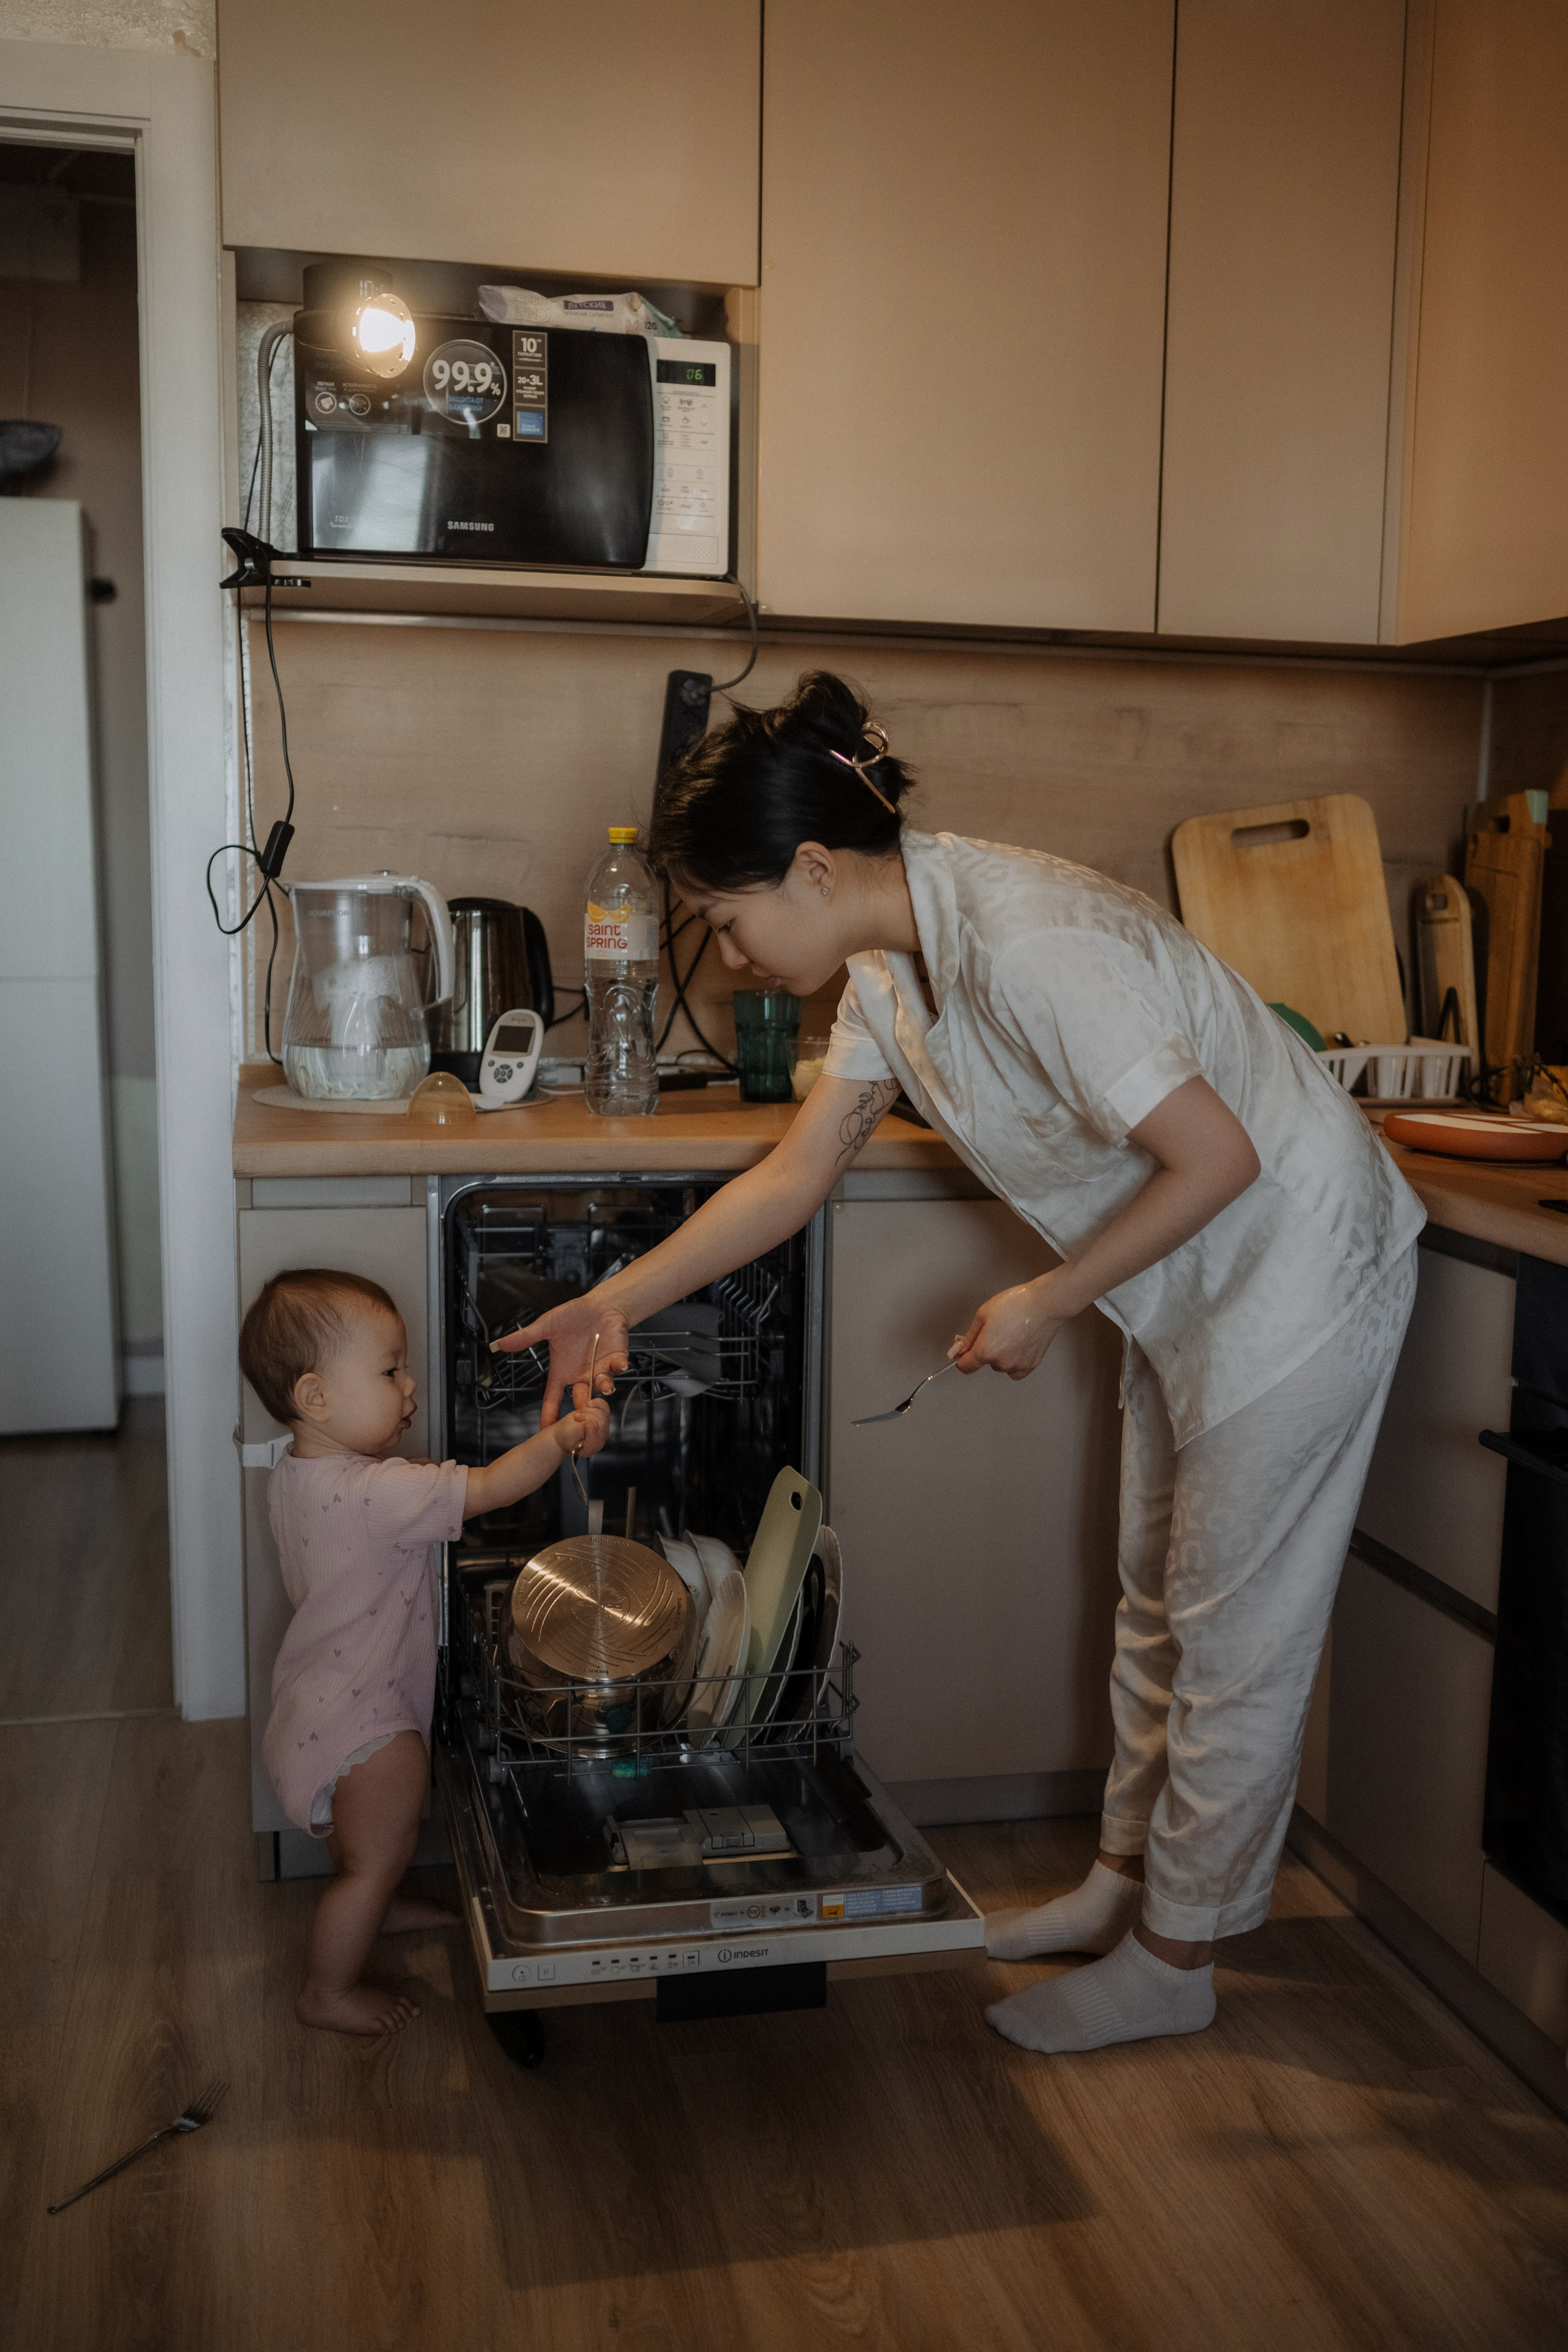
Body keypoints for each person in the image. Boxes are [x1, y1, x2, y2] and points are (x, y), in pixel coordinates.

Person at [496, 669, 1425, 2059]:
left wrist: (1049, 1296)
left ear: (811, 868)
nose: (730, 955)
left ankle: (1176, 1958)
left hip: (1296, 1268)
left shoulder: (1027, 933)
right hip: (1183, 1279)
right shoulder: (883, 964)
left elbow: (1219, 1153)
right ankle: (1122, 1885)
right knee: (1151, 1600)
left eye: (727, 919)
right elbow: (795, 1174)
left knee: (1231, 1634)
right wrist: (608, 1301)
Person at [239, 1267, 609, 2036]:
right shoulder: (379, 1493)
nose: (410, 1386)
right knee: (376, 1851)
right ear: (315, 1398)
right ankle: (327, 1990)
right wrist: (560, 1437)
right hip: (369, 1726)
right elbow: (491, 1488)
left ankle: (379, 1894)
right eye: (389, 1370)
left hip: (314, 1704)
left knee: (374, 1845)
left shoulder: (294, 1474)